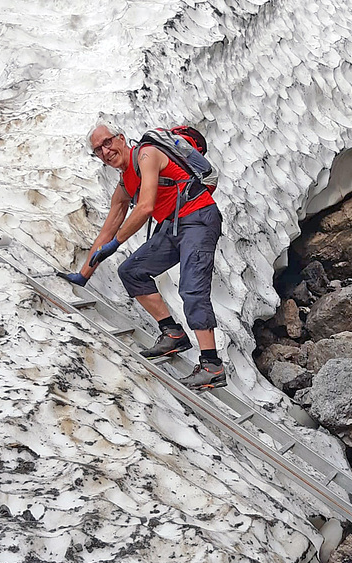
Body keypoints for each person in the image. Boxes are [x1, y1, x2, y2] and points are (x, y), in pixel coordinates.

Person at [58, 123, 226, 390]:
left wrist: (117, 243)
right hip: (173, 226)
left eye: (108, 142)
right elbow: (106, 232)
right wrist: (83, 275)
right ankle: (173, 334)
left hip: (199, 218)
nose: (105, 150)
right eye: (98, 150)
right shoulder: (125, 185)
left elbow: (146, 206)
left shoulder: (147, 154)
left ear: (121, 139)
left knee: (192, 289)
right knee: (131, 271)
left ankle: (212, 366)